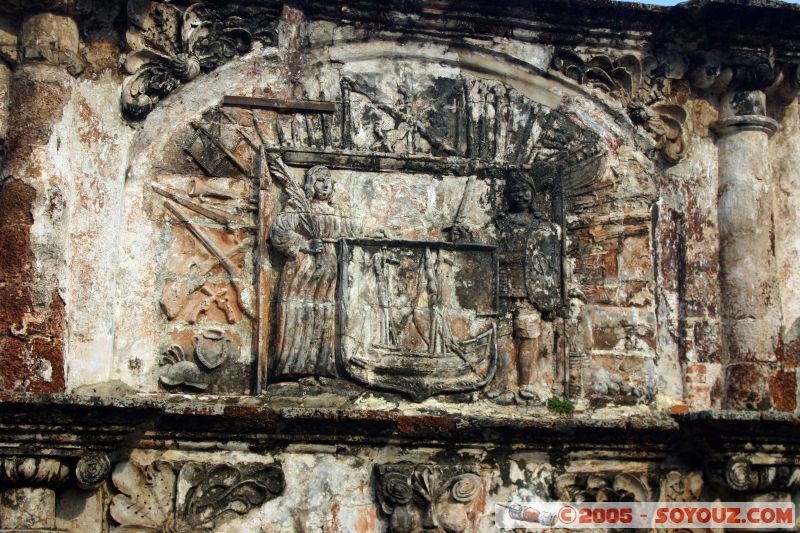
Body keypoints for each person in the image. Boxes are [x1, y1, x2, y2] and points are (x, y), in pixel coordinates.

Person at [269, 165, 357, 380]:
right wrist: (305, 244)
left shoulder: (335, 211)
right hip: (303, 268)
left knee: (324, 314)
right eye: (319, 180)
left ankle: (320, 367)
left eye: (328, 180)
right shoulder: (300, 207)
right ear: (310, 184)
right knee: (300, 313)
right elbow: (278, 231)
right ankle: (295, 366)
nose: (325, 184)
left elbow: (348, 235)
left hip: (328, 270)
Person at [494, 171, 561, 401]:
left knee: (528, 337)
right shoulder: (499, 224)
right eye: (515, 190)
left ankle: (527, 385)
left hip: (531, 292)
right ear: (508, 195)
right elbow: (482, 240)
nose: (520, 195)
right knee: (502, 338)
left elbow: (549, 262)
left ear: (532, 195)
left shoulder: (543, 227)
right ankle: (505, 385)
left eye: (525, 190)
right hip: (503, 286)